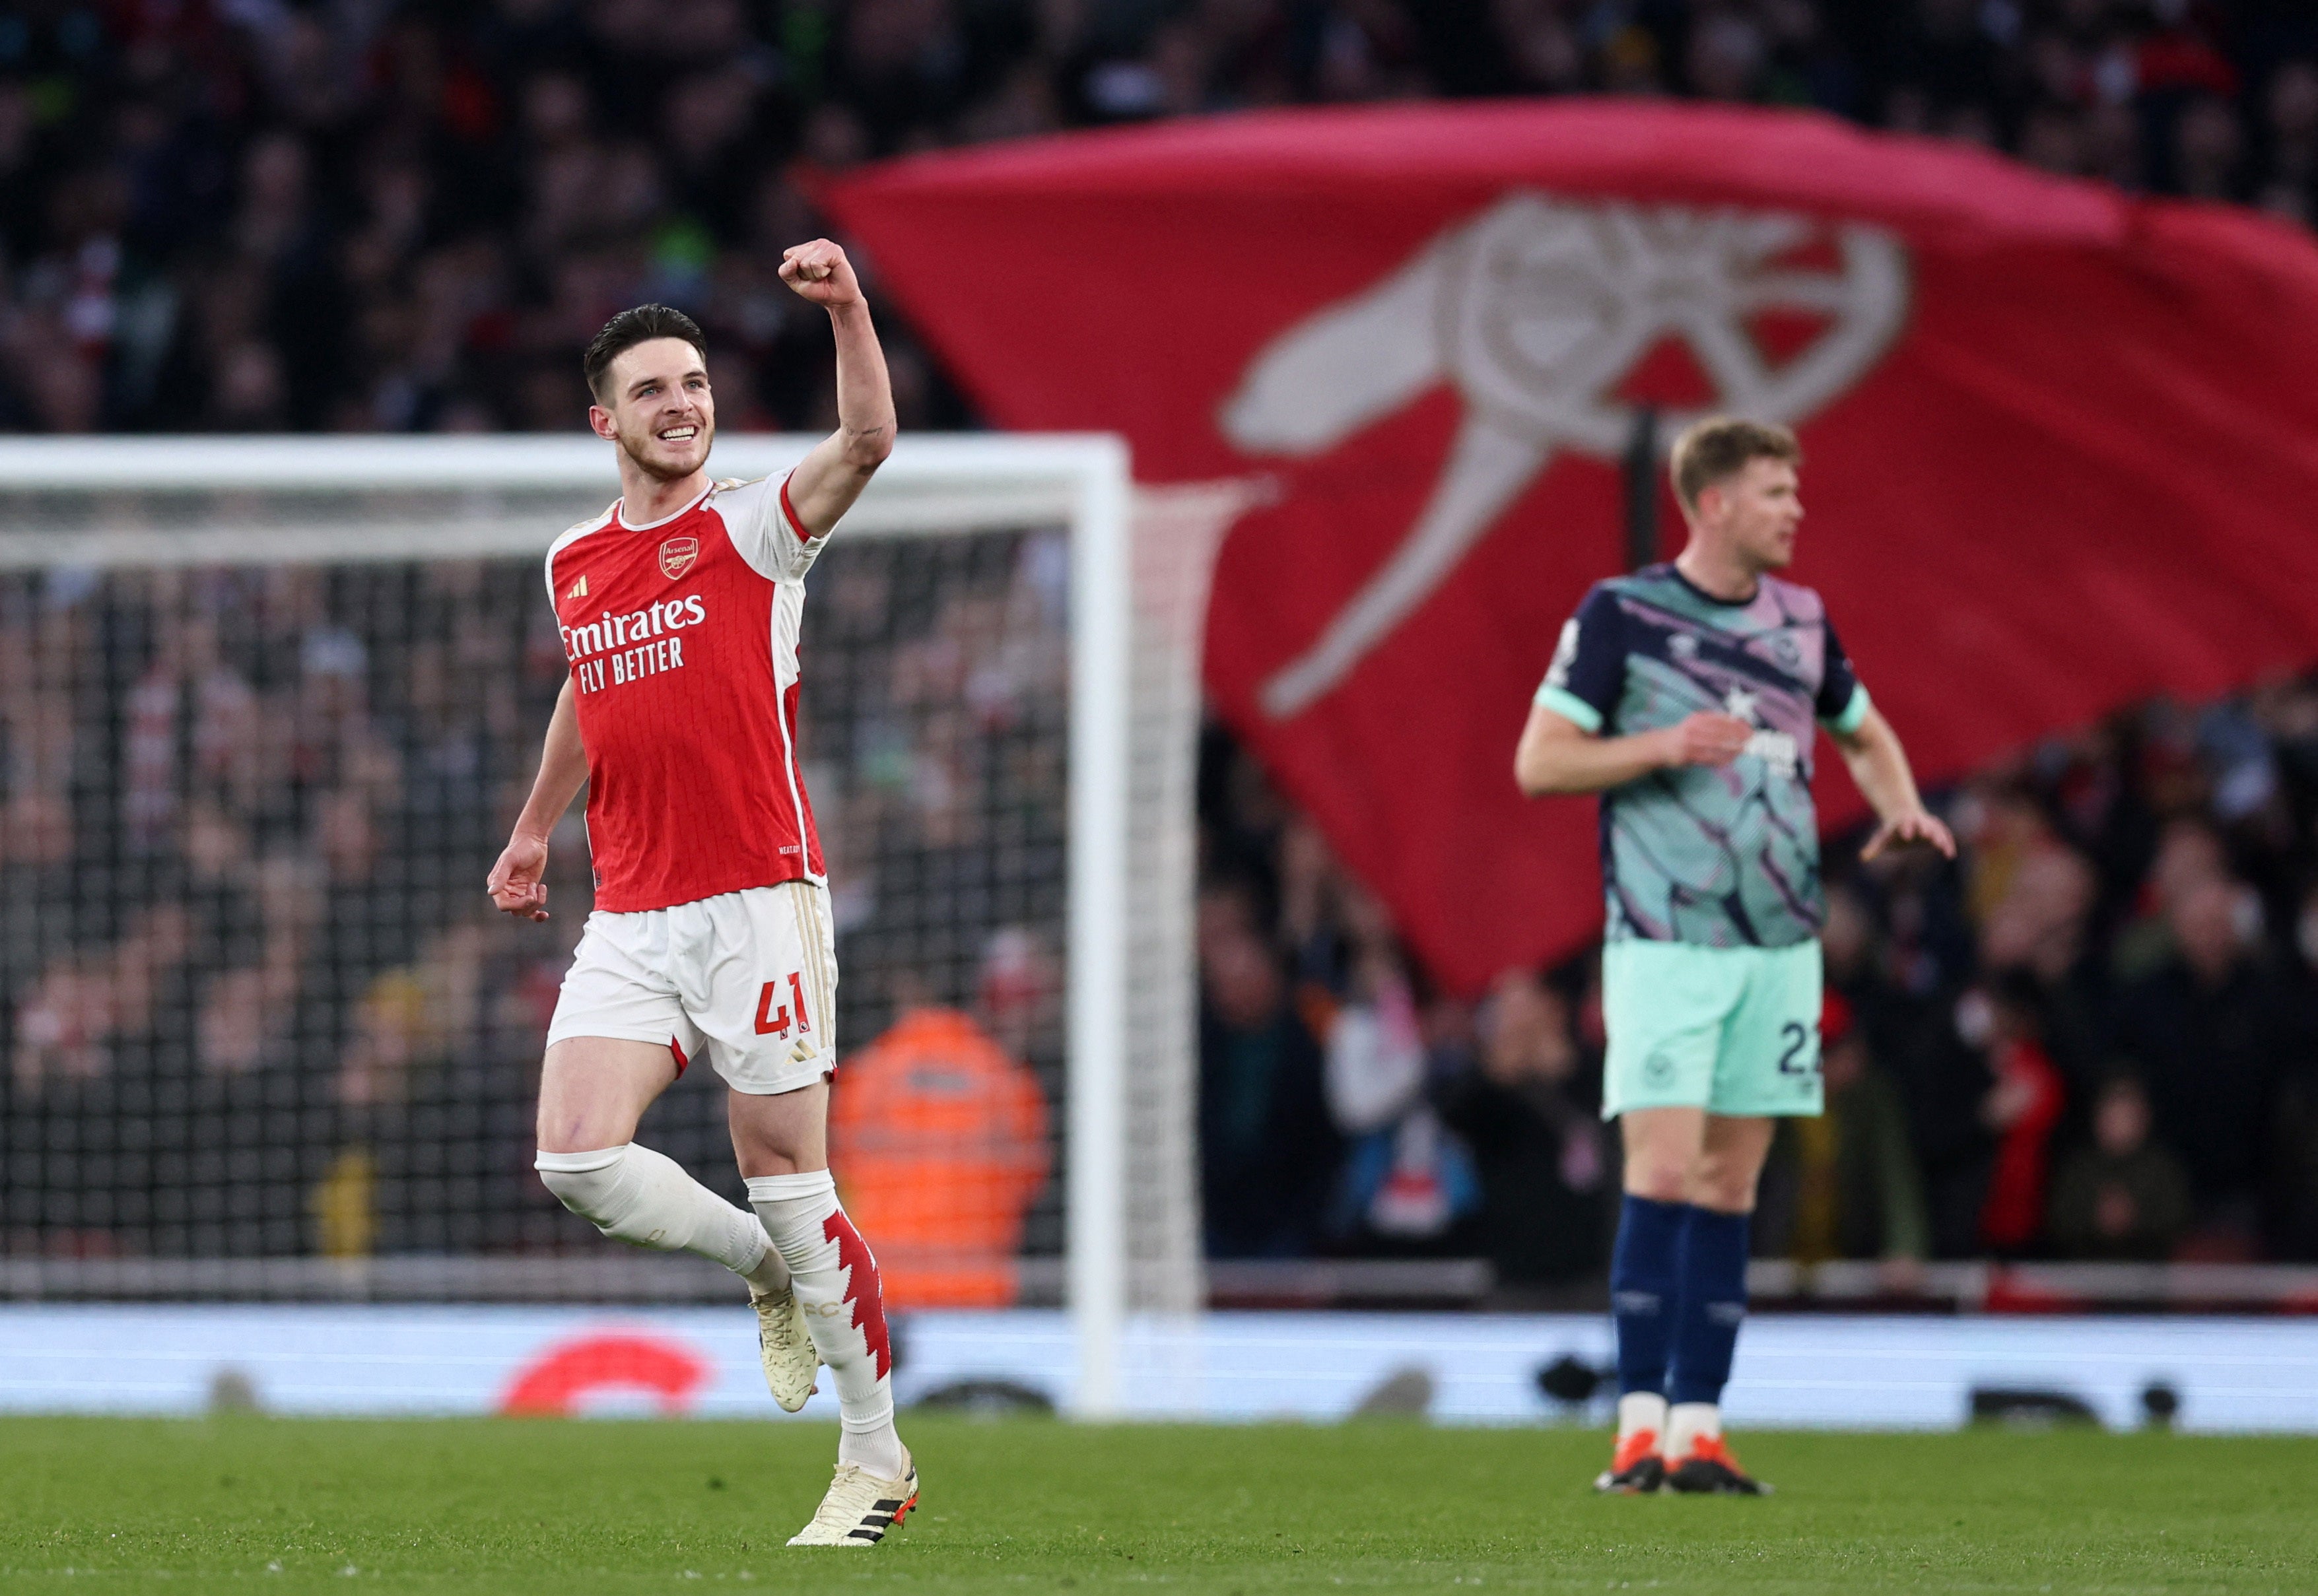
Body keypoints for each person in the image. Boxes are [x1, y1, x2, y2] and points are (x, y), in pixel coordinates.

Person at [483, 244, 916, 1548]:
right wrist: (529, 831)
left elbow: (870, 438)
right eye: (653, 390)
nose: (683, 403)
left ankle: (876, 1459)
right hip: (631, 909)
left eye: (694, 383)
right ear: (604, 419)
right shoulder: (574, 561)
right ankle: (761, 1270)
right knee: (573, 1157)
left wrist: (844, 307)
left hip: (756, 899)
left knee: (791, 1171)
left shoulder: (754, 523)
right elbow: (587, 685)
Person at [1513, 417, 1955, 1496]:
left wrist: (1899, 806)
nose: (1796, 508)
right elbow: (1540, 763)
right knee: (1661, 1170)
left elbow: (1864, 727)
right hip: (1667, 940)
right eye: (1775, 491)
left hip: (1779, 946)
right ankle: (1635, 1429)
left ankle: (1699, 1430)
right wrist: (1662, 743)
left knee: (1731, 1181)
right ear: (1713, 504)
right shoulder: (1623, 614)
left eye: (1795, 490)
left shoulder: (1803, 620)